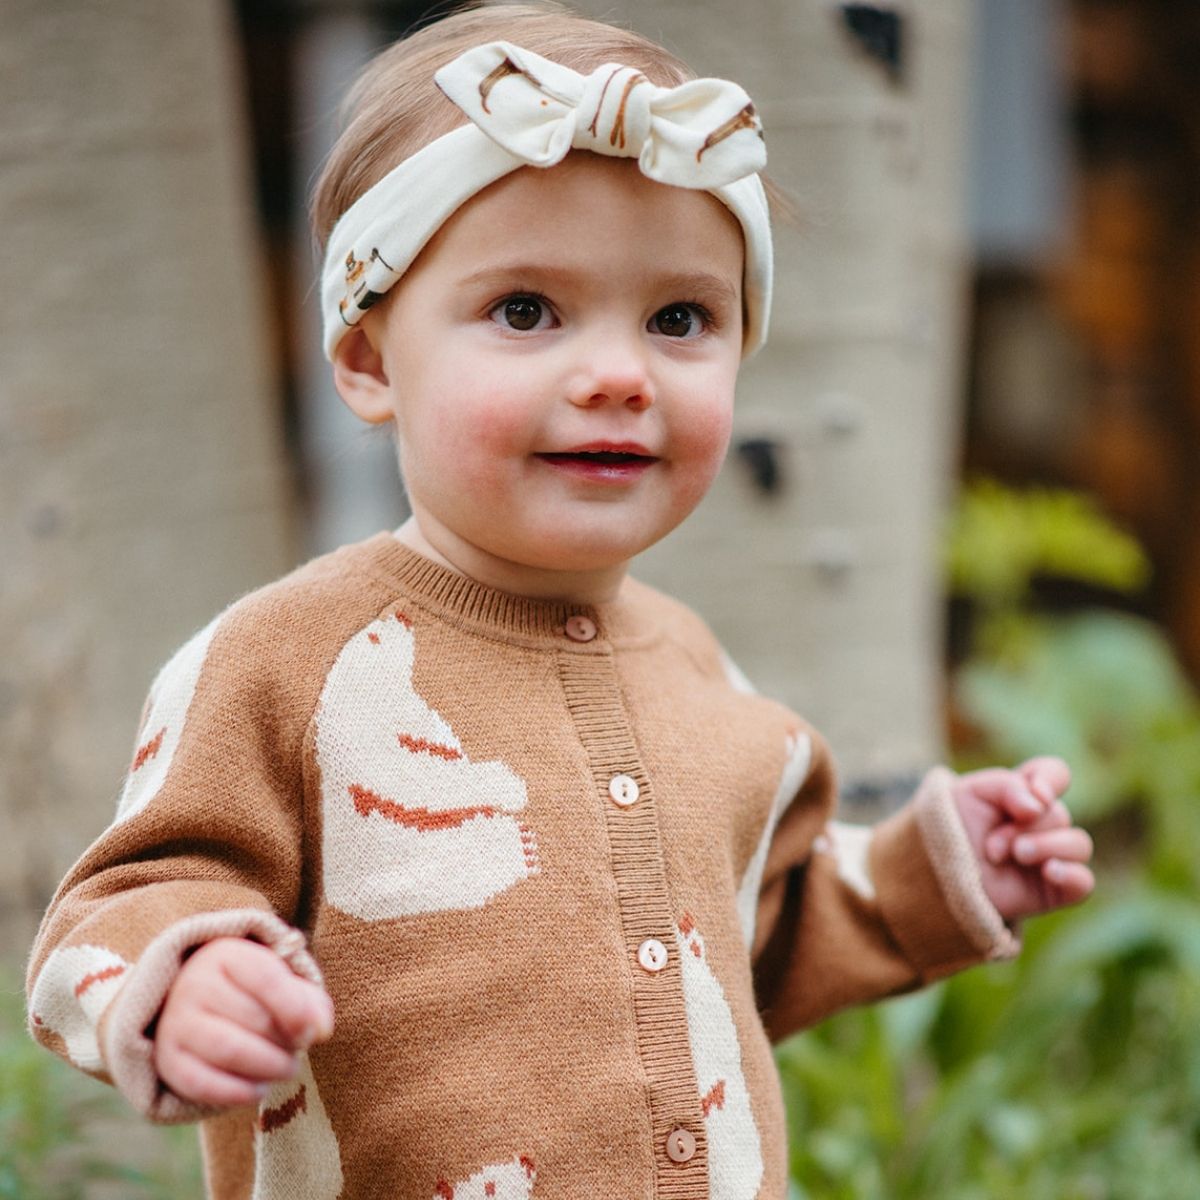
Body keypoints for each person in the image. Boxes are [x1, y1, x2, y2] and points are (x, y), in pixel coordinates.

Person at [26, 4, 1094, 1198]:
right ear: (370, 360)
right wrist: (186, 981)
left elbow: (752, 934)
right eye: (526, 311)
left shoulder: (697, 671)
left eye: (679, 319)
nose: (618, 376)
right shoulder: (286, 662)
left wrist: (936, 875)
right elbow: (118, 906)